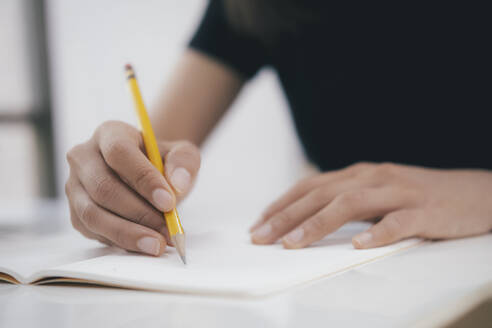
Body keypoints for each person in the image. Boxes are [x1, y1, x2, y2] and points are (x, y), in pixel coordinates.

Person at [65, 0, 492, 256]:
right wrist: (113, 177)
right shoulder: (250, 6)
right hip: (354, 289)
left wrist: (482, 192)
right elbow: (155, 154)